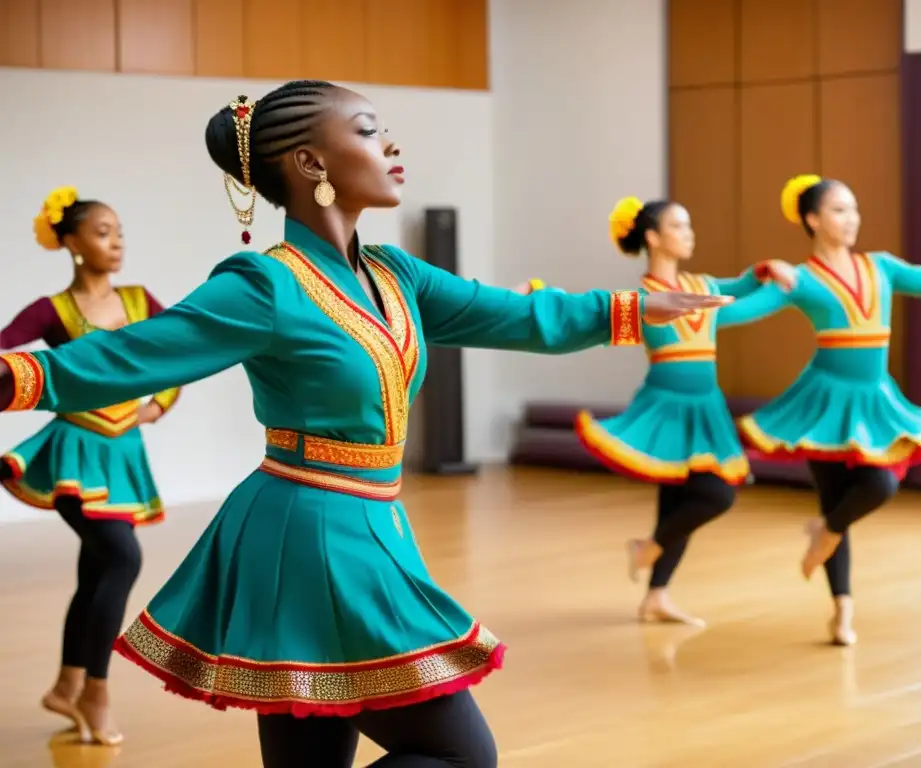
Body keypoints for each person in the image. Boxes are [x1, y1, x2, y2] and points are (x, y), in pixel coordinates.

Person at [0, 81, 732, 767]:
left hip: (367, 524)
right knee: (463, 755)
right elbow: (133, 355)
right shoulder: (266, 283)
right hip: (306, 531)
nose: (391, 147)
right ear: (311, 161)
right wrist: (14, 377)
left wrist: (629, 309)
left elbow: (519, 316)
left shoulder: (395, 274)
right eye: (369, 131)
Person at [724, 174, 921, 645]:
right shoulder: (798, 280)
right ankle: (842, 611)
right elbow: (737, 313)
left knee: (878, 483)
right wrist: (697, 301)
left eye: (854, 209)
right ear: (812, 219)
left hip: (874, 399)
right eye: (839, 210)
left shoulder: (880, 266)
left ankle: (826, 532)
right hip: (822, 403)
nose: (852, 219)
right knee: (835, 496)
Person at [520, 197, 797, 626]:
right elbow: (586, 312)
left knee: (678, 499)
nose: (689, 233)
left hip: (706, 408)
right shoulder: (640, 298)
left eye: (689, 225)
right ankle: (648, 548)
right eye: (679, 226)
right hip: (666, 406)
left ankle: (656, 596)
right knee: (716, 493)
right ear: (653, 237)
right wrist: (542, 295)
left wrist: (763, 270)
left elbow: (741, 286)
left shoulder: (703, 284)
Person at [0, 188, 180, 745]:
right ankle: (96, 690)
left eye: (119, 230)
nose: (116, 241)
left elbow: (181, 350)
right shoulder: (52, 310)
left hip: (124, 458)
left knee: (98, 570)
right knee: (122, 560)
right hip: (71, 455)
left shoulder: (138, 300)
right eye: (103, 231)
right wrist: (41, 381)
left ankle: (66, 685)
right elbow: (5, 347)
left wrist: (157, 405)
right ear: (72, 243)